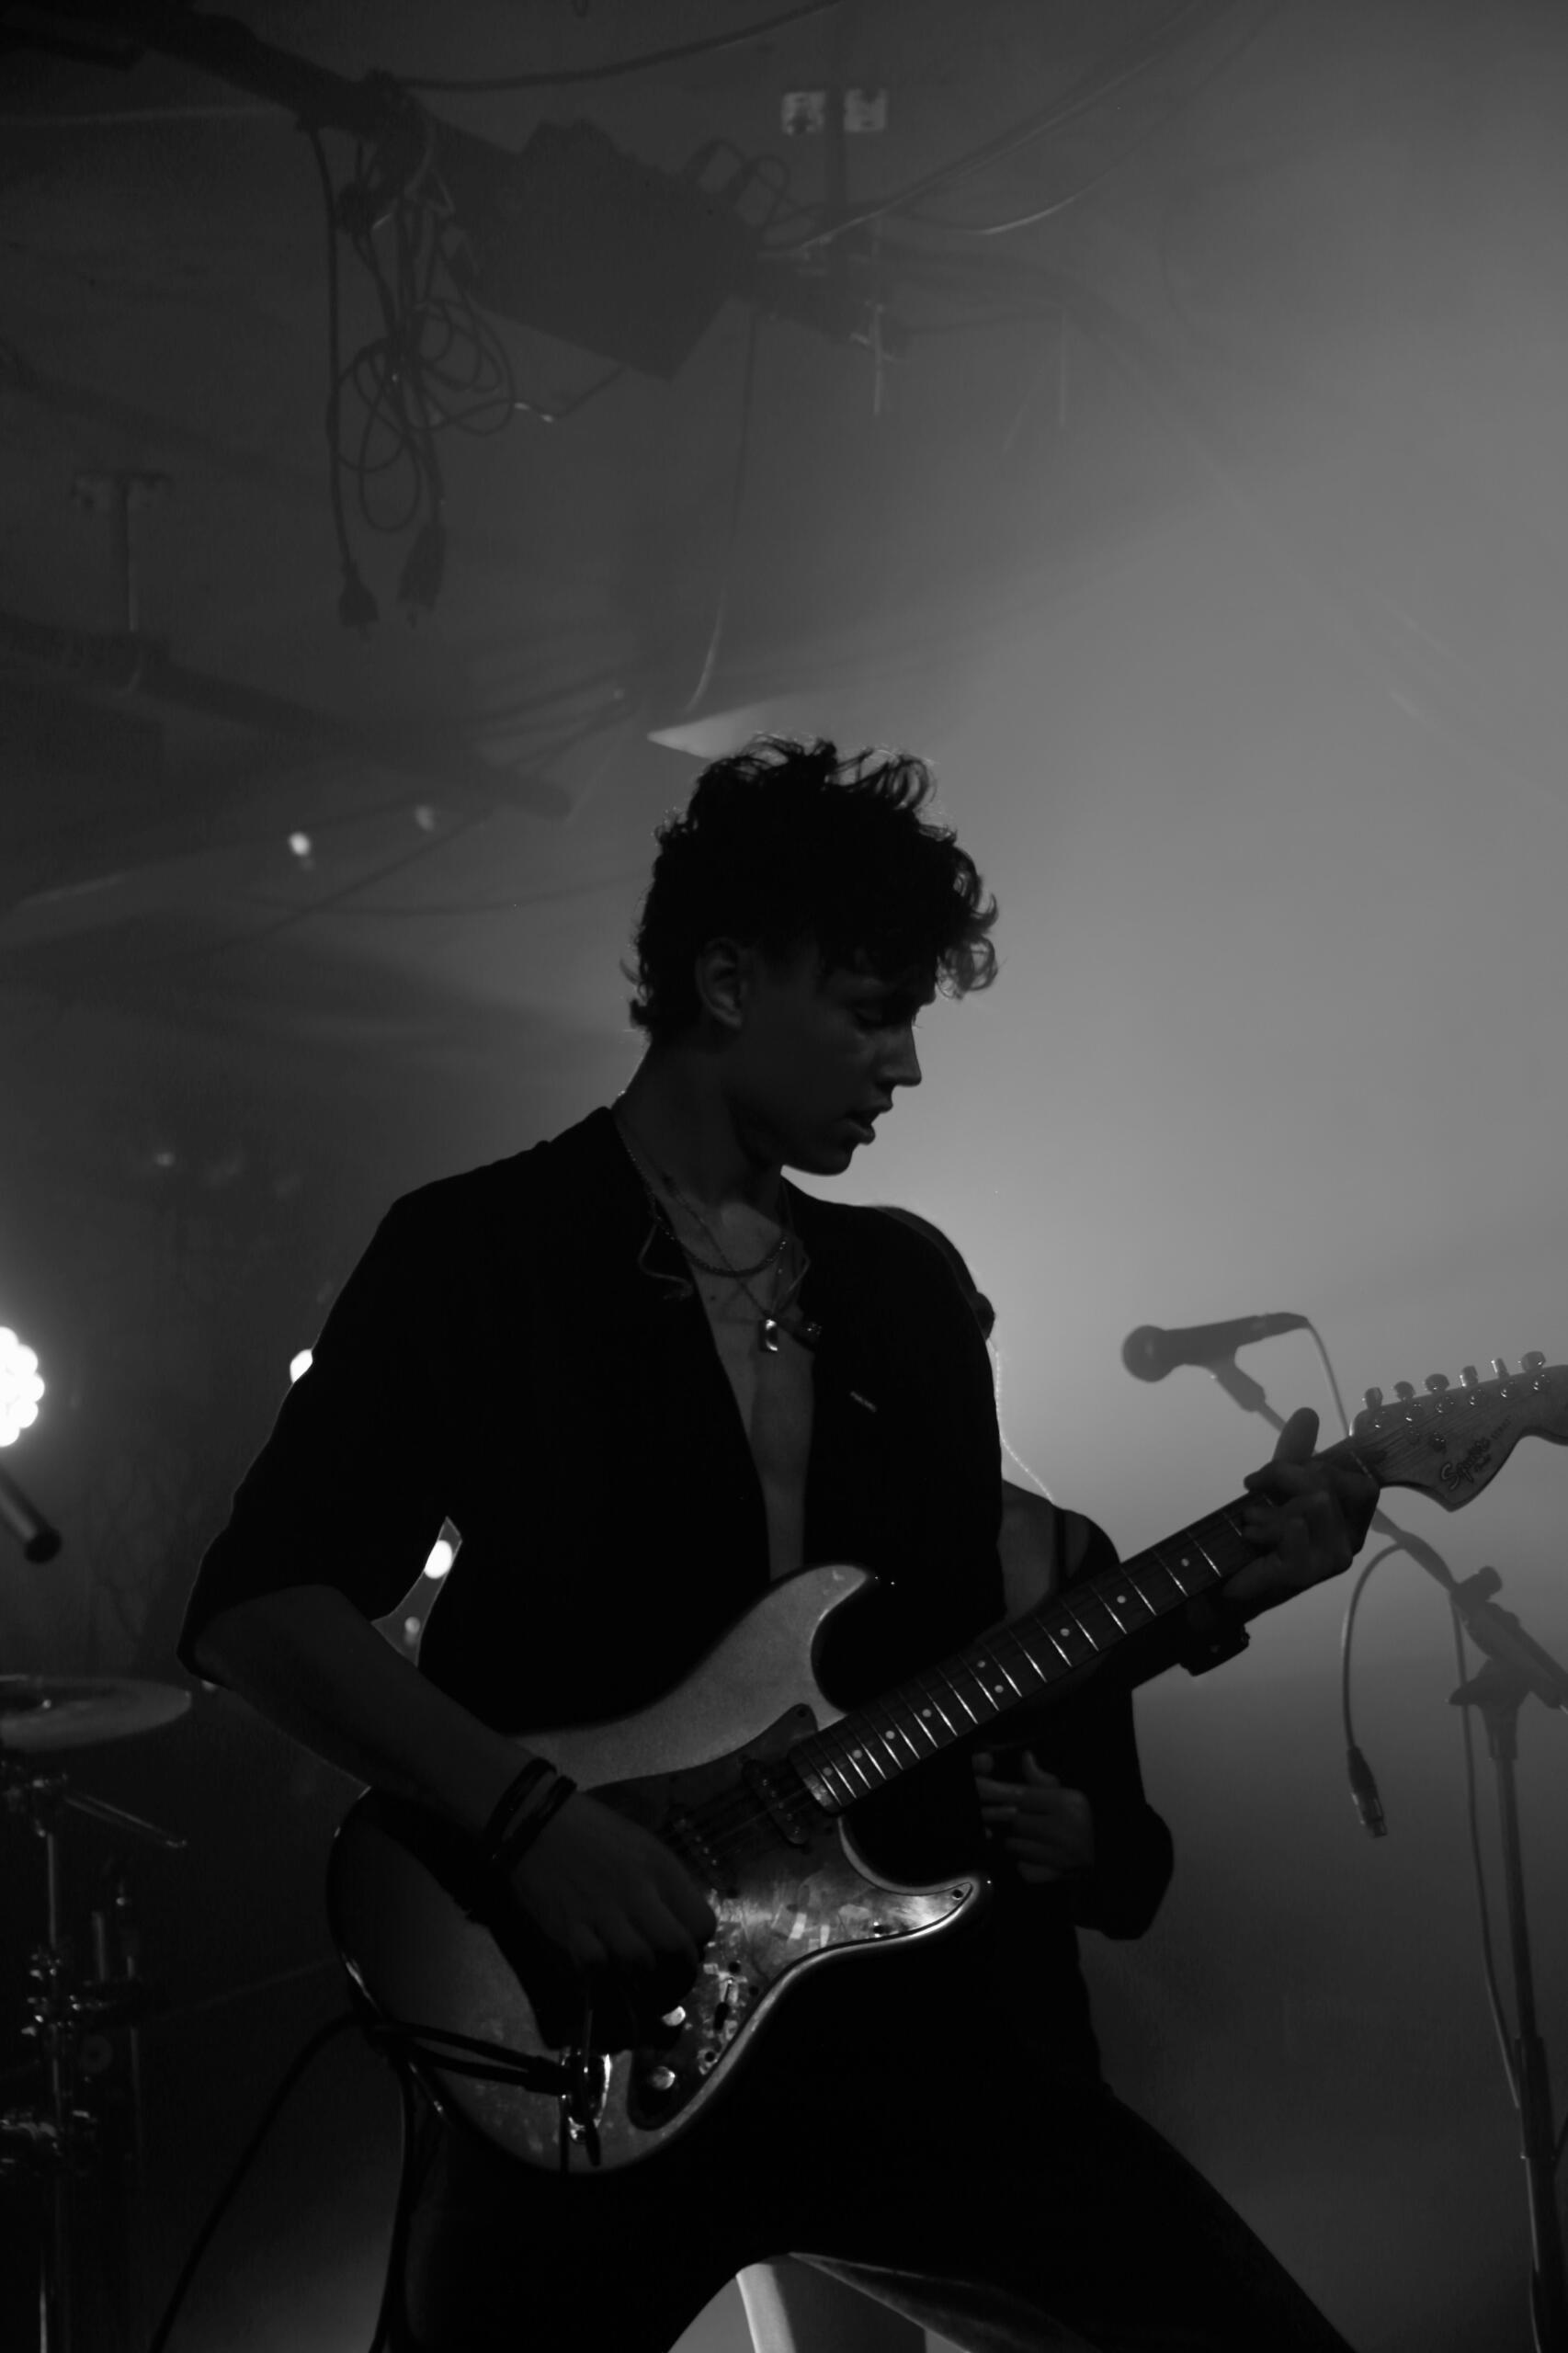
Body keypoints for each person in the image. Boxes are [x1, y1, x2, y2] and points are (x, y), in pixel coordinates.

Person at [177, 735, 1379, 2352]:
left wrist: (1215, 1602)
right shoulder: (481, 1252)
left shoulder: (906, 1287)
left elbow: (953, 1668)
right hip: (587, 2019)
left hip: (909, 2032)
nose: (906, 1066)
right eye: (872, 1012)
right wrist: (532, 1821)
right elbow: (258, 1611)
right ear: (729, 981)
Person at [738, 1208, 1174, 2353]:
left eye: (954, 1339)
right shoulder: (768, 1561)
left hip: (1013, 2053)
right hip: (794, 2058)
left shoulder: (1064, 1555)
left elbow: (1134, 1871)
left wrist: (1089, 1839)